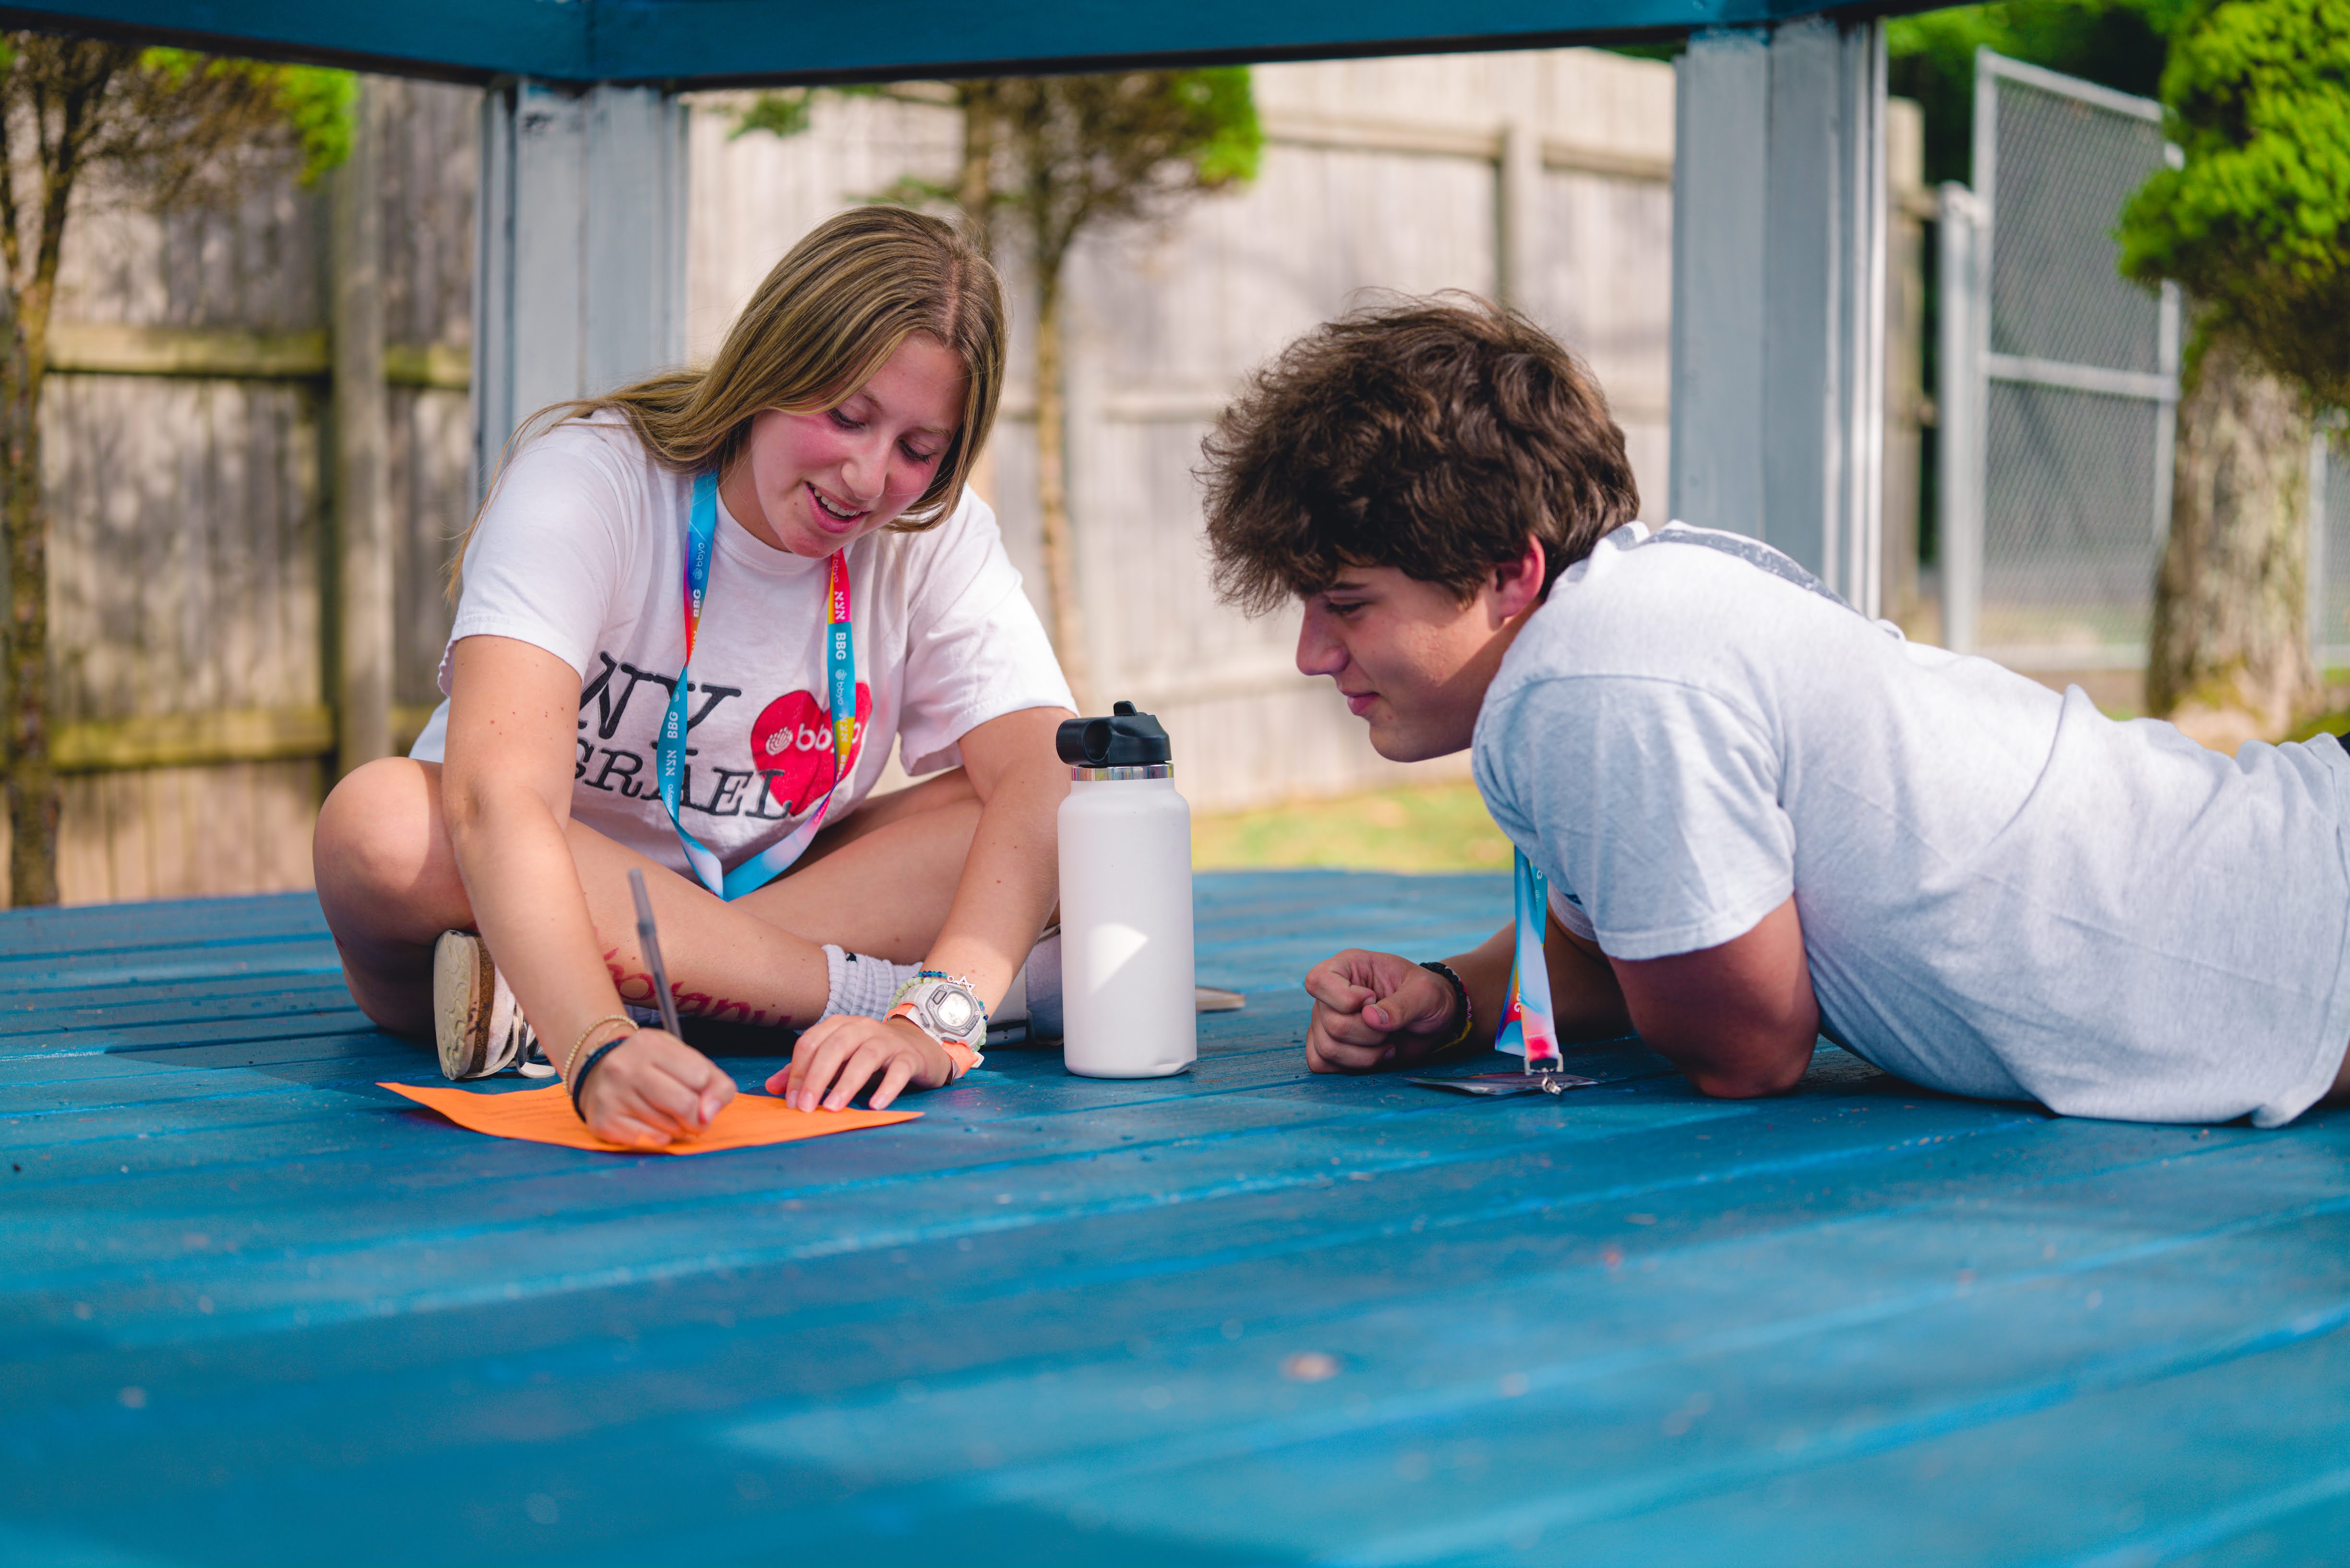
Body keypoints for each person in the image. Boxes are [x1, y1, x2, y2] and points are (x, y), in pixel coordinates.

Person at [1197, 296, 2350, 1128]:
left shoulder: (1593, 682)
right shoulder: (1620, 622)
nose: (1311, 653)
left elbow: (1749, 1042)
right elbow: (1656, 940)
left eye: (1347, 603)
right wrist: (1449, 997)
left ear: (1510, 571)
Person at [314, 207, 1075, 1148]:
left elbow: (1045, 768)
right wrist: (595, 1045)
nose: (870, 475)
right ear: (774, 362)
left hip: (771, 898)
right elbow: (497, 803)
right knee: (384, 825)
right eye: (848, 414)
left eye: (920, 450)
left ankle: (579, 993)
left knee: (1066, 812)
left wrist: (933, 1027)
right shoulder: (590, 479)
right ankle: (762, 992)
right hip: (534, 881)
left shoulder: (934, 537)